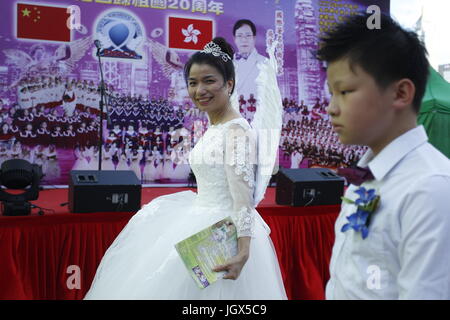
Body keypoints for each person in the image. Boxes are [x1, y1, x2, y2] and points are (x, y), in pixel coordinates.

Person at [84, 37, 287, 299]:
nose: (199, 90)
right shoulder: (216, 126)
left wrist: (244, 250)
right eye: (193, 83)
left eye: (209, 81)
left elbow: (242, 198)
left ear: (229, 84)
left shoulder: (237, 131)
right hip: (197, 223)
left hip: (222, 236)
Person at [317, 13, 450, 300]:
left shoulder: (431, 188)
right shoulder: (362, 178)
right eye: (331, 93)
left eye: (345, 91)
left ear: (401, 93)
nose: (331, 108)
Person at [232, 19, 267, 105]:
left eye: (248, 35)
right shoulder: (230, 64)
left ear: (254, 38)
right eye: (240, 36)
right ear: (235, 39)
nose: (244, 40)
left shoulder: (265, 63)